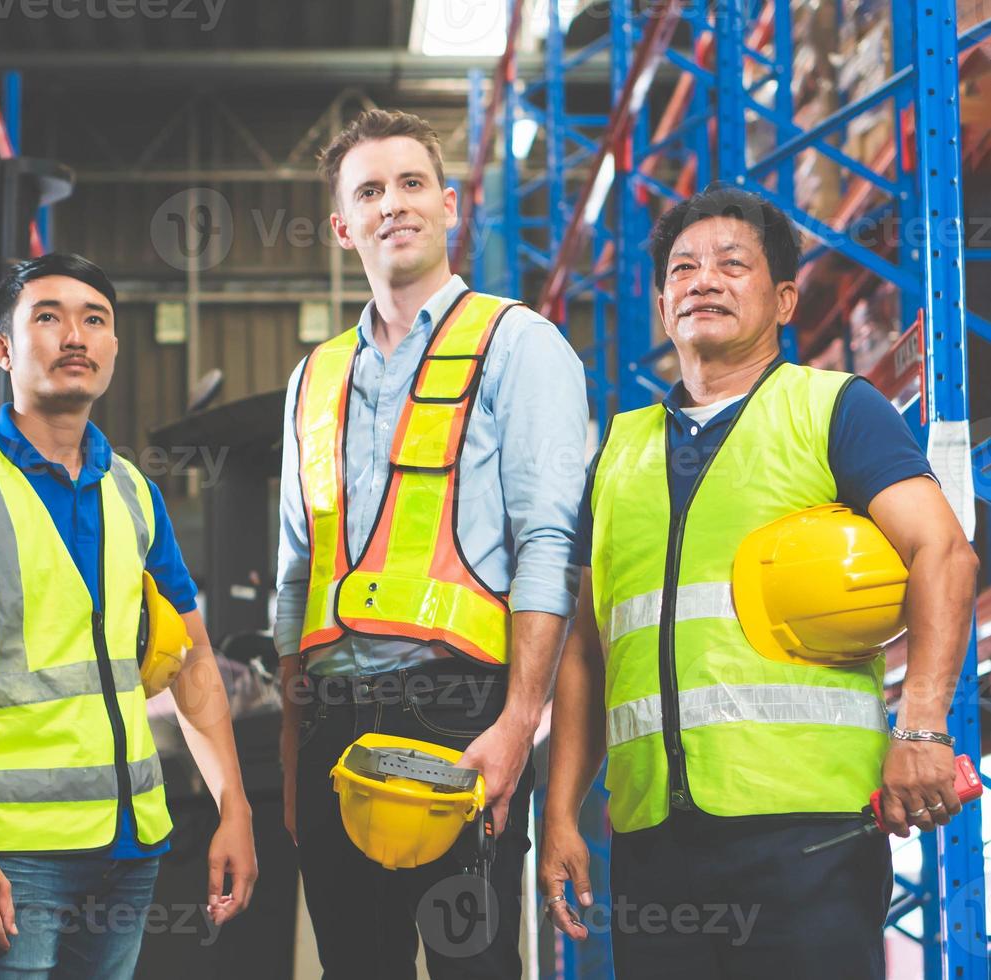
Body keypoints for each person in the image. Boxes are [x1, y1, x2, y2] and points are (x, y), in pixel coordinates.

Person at [539, 184, 980, 979]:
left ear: (782, 299)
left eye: (731, 265)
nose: (703, 279)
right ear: (661, 299)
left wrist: (920, 727)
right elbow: (585, 649)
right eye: (683, 267)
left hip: (807, 835)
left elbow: (943, 552)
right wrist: (561, 814)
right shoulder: (618, 453)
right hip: (651, 841)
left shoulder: (834, 408)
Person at [275, 108, 588, 979]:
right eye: (368, 190)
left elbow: (549, 544)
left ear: (449, 205)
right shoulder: (313, 376)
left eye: (411, 183)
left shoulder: (517, 345)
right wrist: (295, 751)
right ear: (343, 226)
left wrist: (517, 724)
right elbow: (296, 572)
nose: (393, 204)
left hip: (463, 712)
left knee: (473, 965)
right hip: (333, 721)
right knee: (355, 967)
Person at [0, 252, 258, 980]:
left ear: (114, 347)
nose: (75, 337)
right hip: (12, 850)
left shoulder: (132, 491)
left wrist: (234, 807)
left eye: (94, 321)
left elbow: (192, 664)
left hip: (132, 845)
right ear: (3, 348)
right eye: (48, 318)